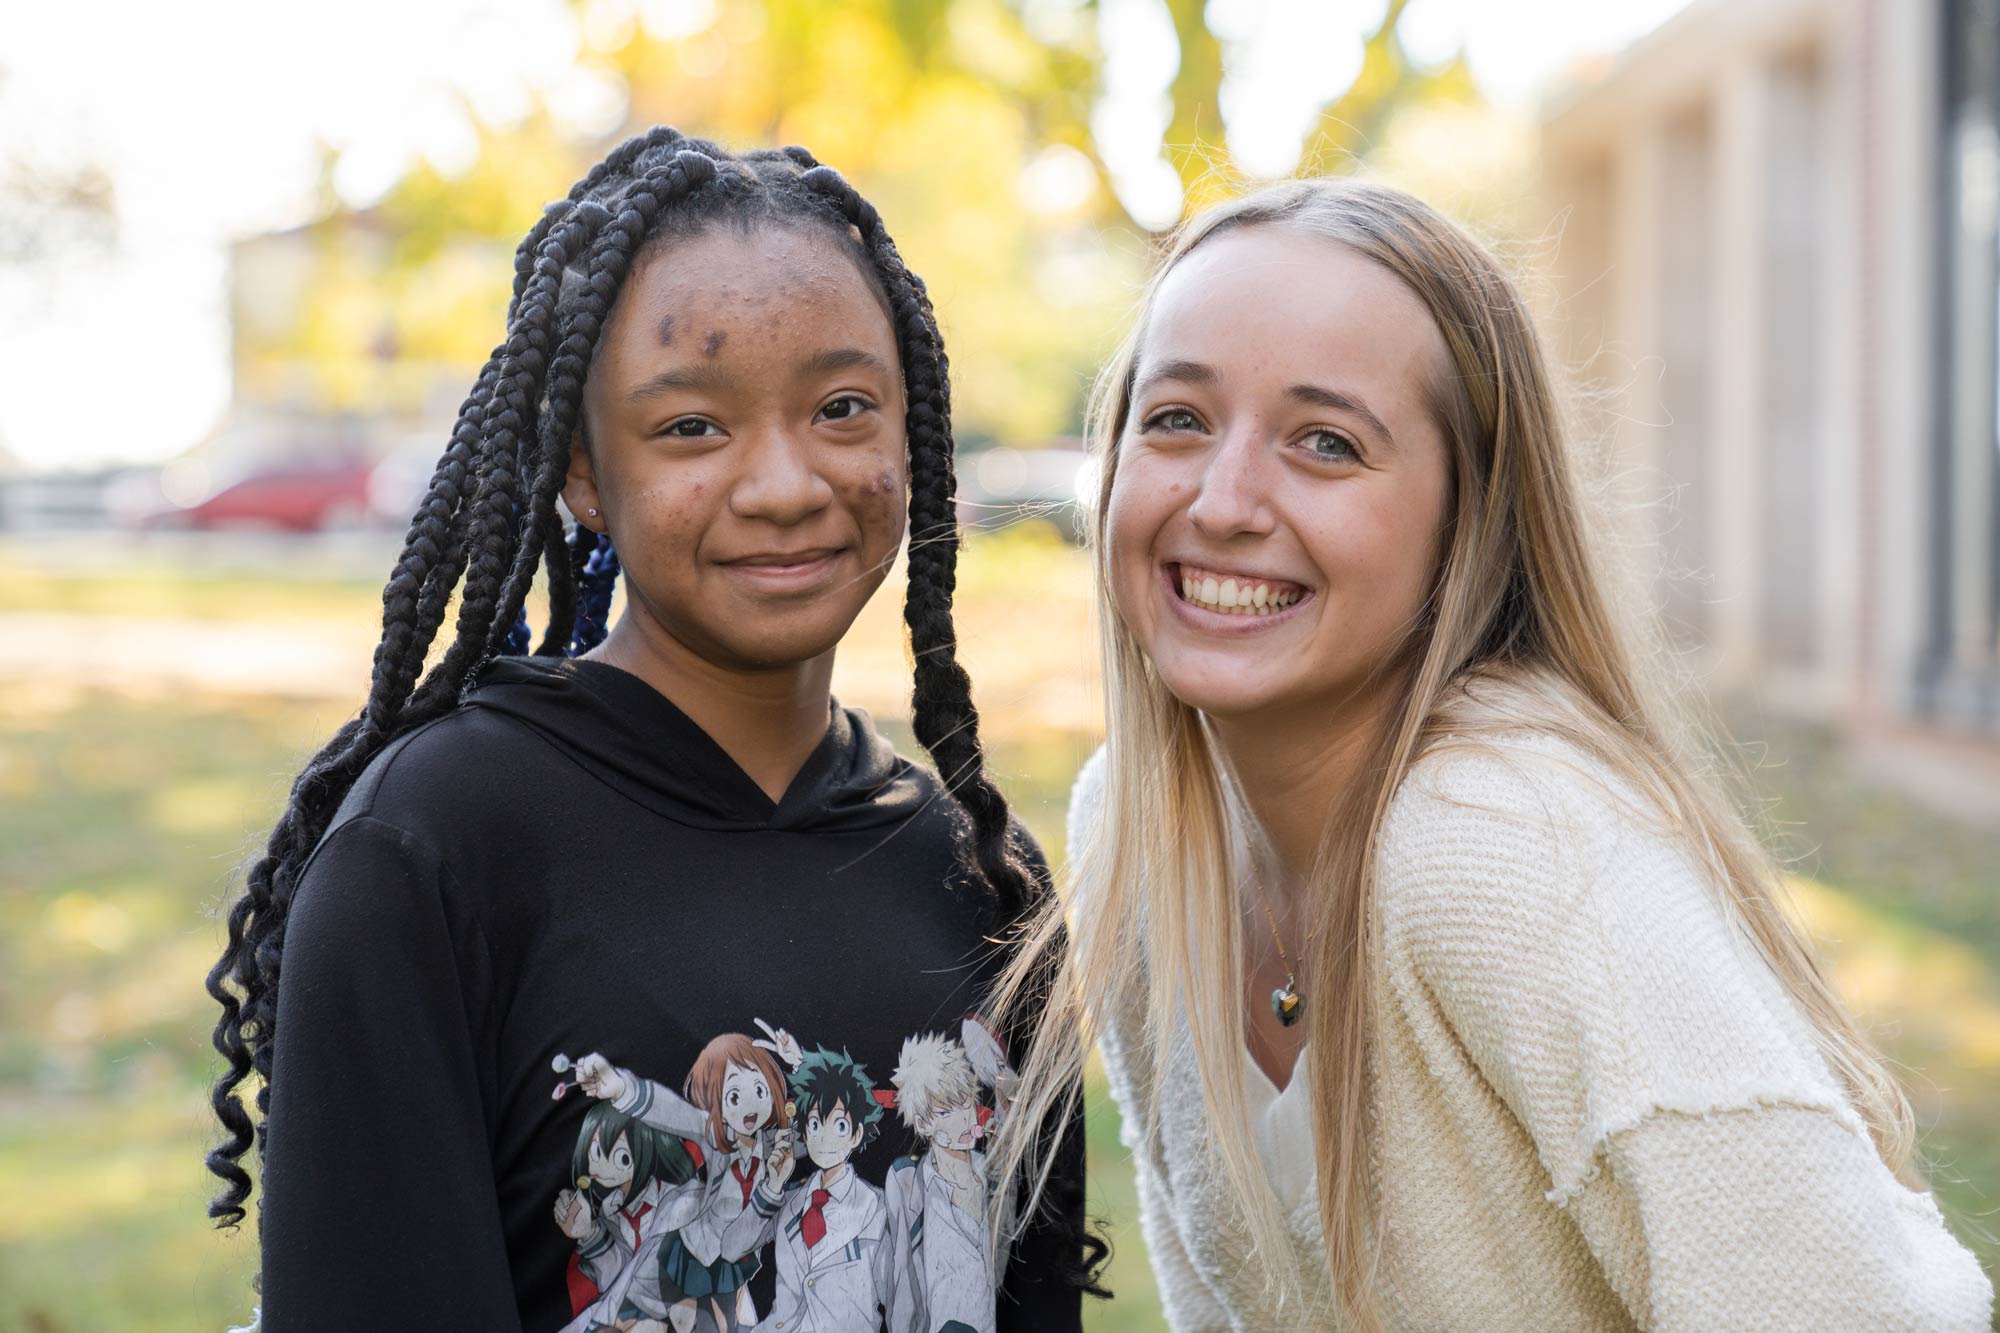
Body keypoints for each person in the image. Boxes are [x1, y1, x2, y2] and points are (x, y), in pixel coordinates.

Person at [987, 177, 1996, 1329]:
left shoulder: (1494, 847)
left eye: (1324, 442)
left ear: (1467, 521)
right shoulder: (1136, 822)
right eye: (1176, 419)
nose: (1221, 500)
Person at [201, 125, 1103, 1332]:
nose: (784, 483)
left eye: (841, 407)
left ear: (912, 429)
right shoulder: (432, 853)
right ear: (581, 472)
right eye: (691, 427)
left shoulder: (983, 883)